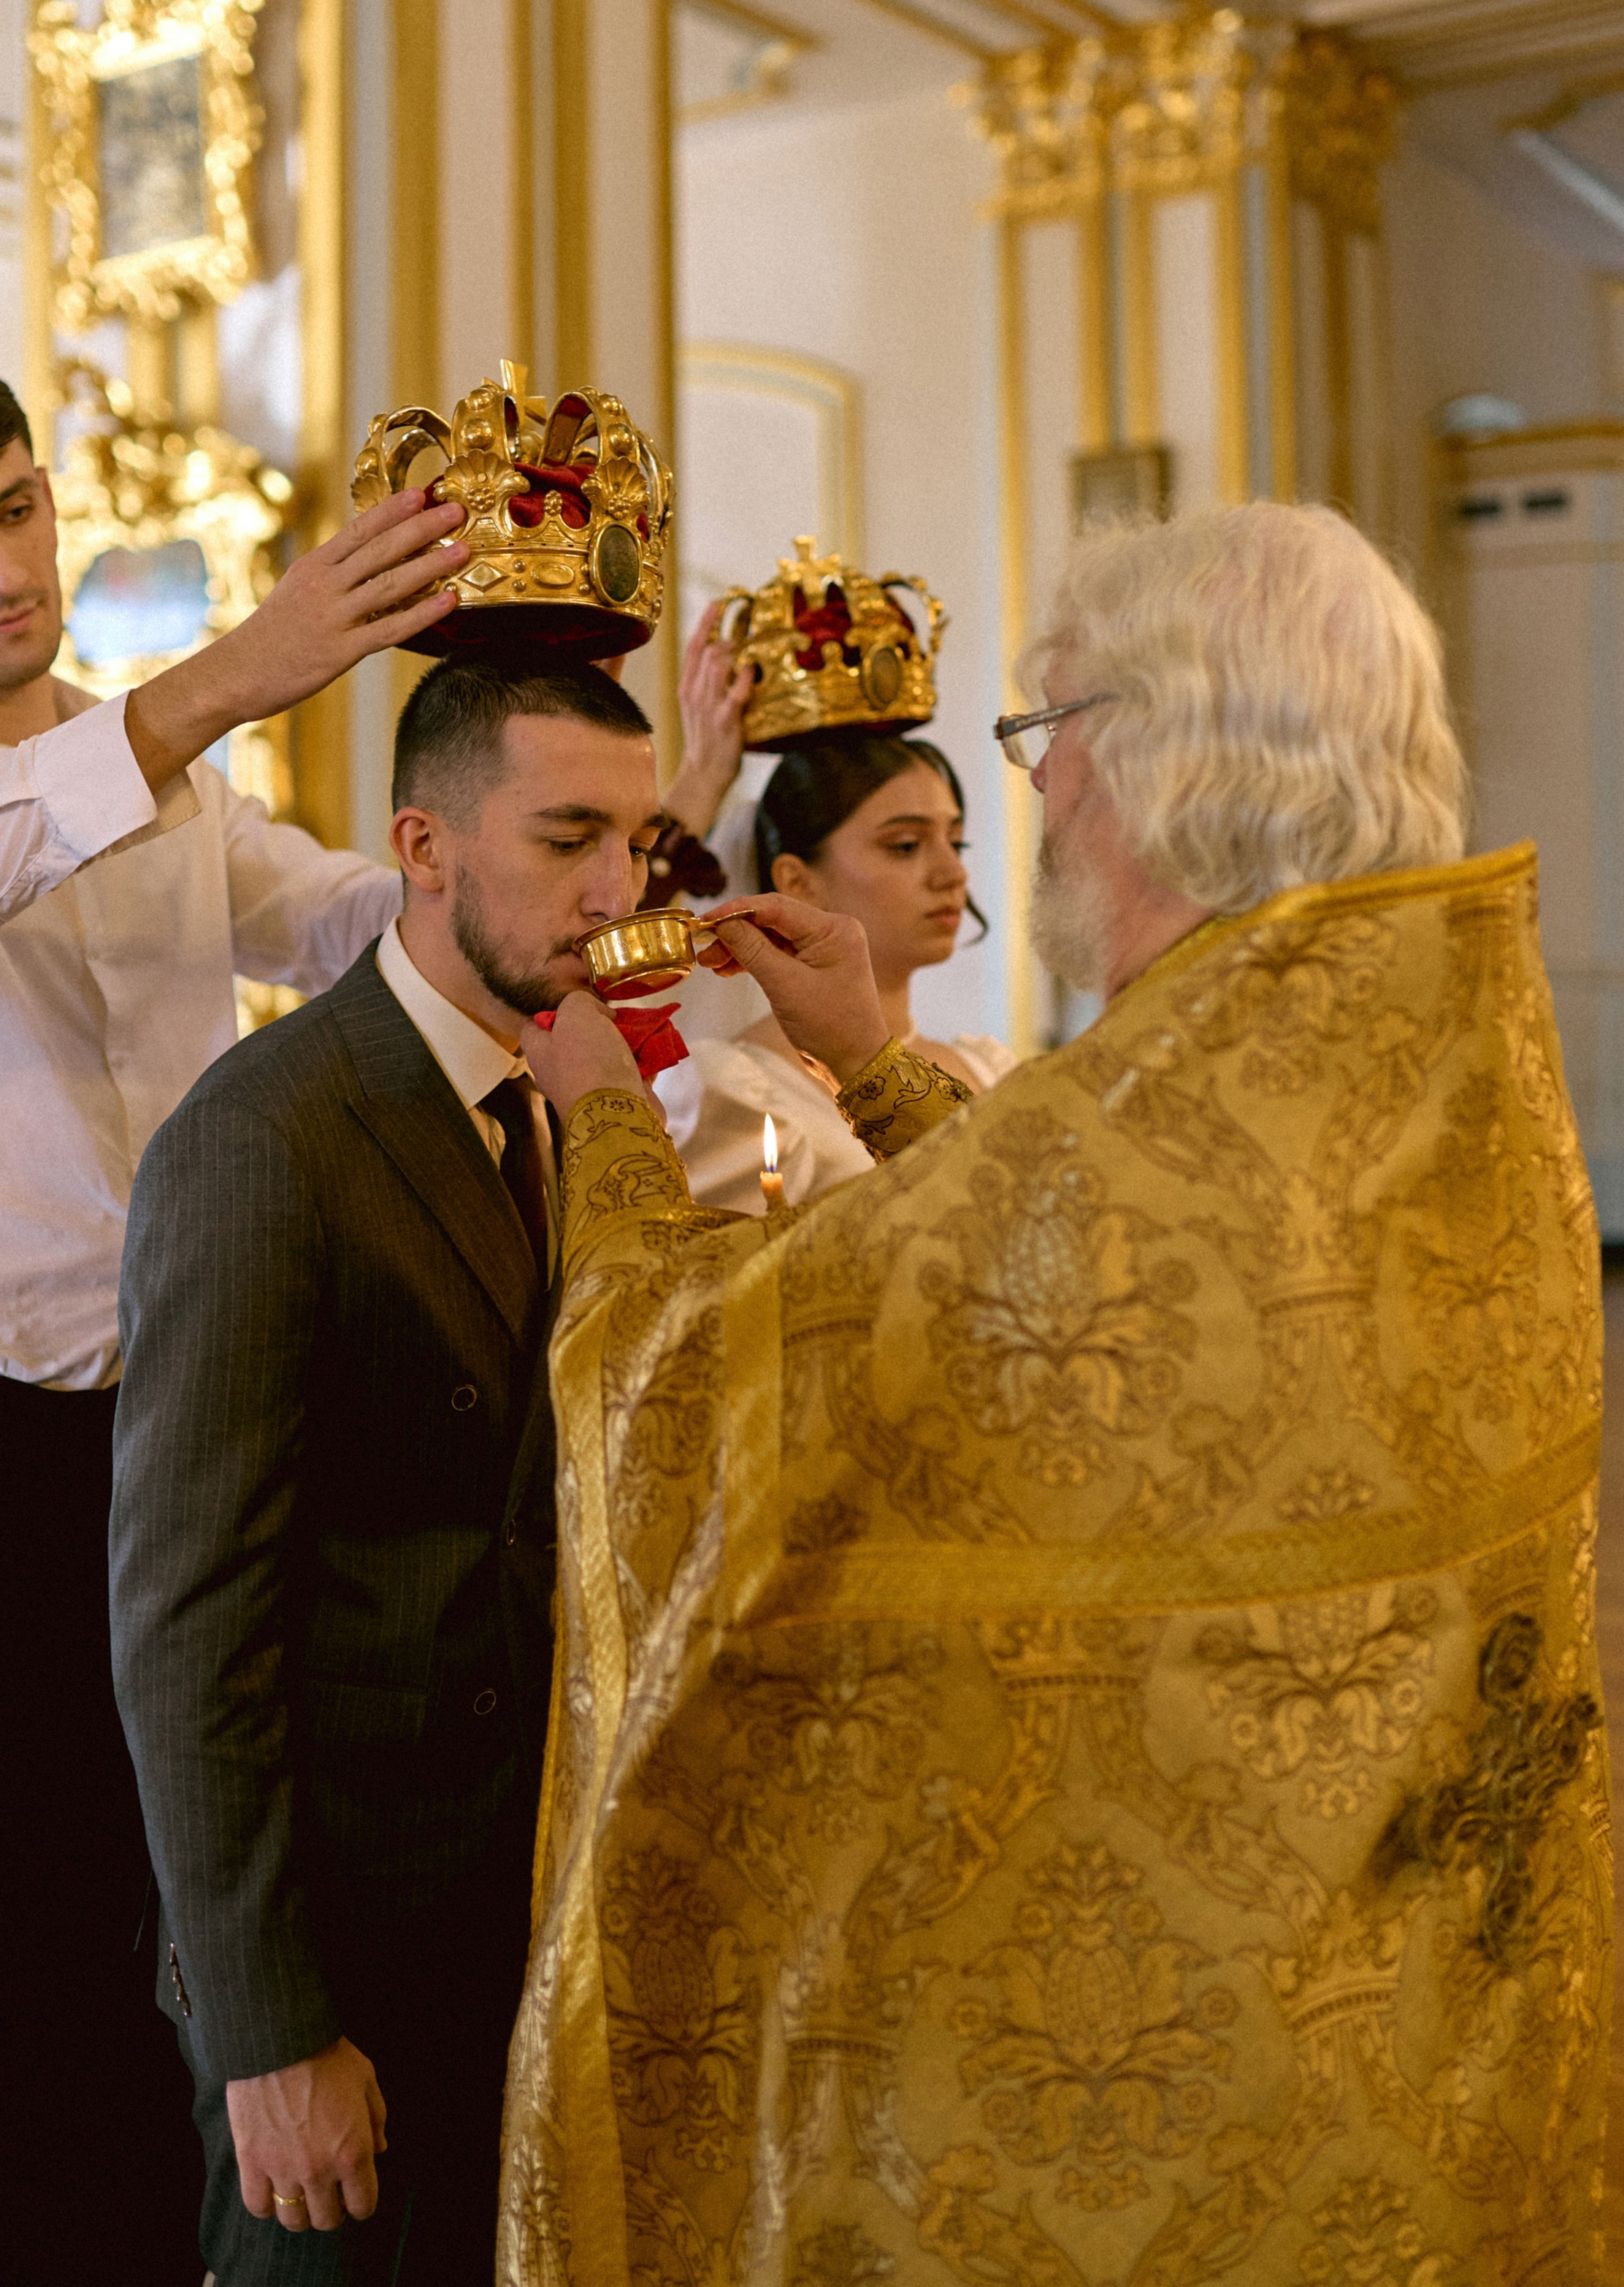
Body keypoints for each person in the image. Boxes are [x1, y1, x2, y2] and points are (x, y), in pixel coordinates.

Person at [502, 501, 1608, 2282]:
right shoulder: (1436, 1075)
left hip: (1160, 2099)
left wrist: (607, 1135)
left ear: (1156, 763)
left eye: (1044, 738)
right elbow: (1036, 1270)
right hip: (1393, 2012)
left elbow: (690, 1407)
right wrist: (879, 1065)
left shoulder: (1134, 1140)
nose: (1035, 800)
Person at [0, 347, 470, 2287]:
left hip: (203, 1420)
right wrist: (229, 674)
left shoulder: (161, 768)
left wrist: (560, 845)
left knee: (205, 1890)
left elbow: (339, 929)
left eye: (18, 510)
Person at [110, 657, 666, 2283]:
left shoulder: (560, 1096)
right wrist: (271, 2034)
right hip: (338, 1944)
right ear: (421, 846)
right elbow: (185, 1626)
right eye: (567, 838)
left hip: (520, 1908)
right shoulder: (264, 1137)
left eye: (637, 844)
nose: (616, 894)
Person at [654, 733, 1010, 1213]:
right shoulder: (738, 1094)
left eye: (956, 841)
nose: (953, 873)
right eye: (906, 846)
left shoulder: (991, 1068)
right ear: (797, 883)